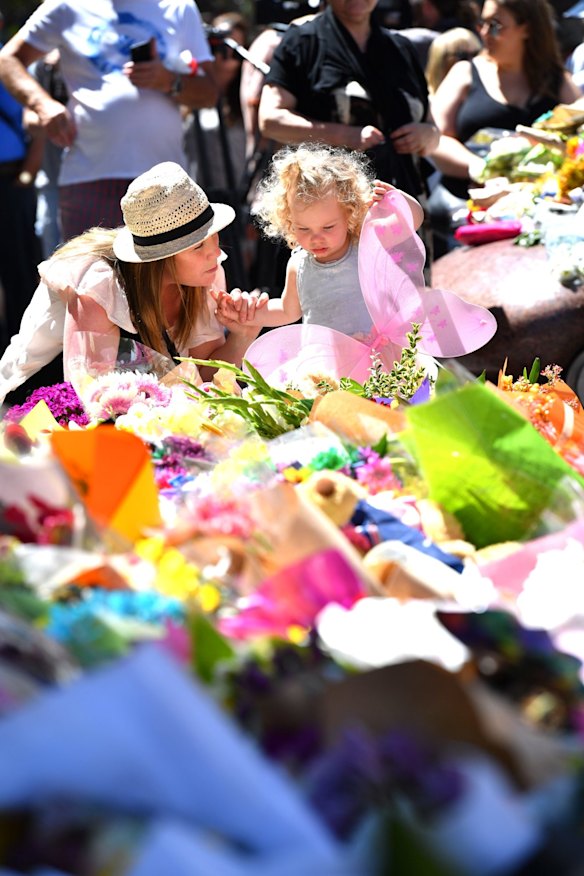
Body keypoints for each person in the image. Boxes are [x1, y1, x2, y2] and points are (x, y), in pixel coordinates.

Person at [0, 162, 262, 408]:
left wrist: (242, 336)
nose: (215, 253)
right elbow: (88, 398)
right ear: (160, 258)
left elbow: (203, 381)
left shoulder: (205, 274)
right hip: (40, 408)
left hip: (140, 416)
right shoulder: (100, 287)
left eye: (214, 236)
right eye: (198, 246)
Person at [0, 0, 219, 242]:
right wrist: (42, 104)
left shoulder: (179, 6)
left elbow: (209, 92)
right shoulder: (65, 6)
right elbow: (7, 59)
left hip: (165, 181)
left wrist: (169, 80)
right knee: (89, 277)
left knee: (166, 279)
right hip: (88, 176)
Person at [213, 143, 424, 337]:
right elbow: (287, 310)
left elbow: (412, 222)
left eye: (328, 227)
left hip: (374, 353)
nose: (316, 238)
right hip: (327, 365)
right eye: (303, 228)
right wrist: (249, 312)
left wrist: (398, 200)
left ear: (349, 214)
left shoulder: (363, 244)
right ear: (289, 221)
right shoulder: (298, 264)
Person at [428, 0, 580, 255]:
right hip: (466, 215)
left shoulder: (557, 81)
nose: (485, 33)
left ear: (527, 29)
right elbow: (436, 138)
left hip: (538, 216)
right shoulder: (465, 72)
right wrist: (481, 169)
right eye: (482, 24)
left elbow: (579, 142)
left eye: (496, 25)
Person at [258, 0, 440, 204]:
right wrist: (344, 135)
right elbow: (270, 120)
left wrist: (428, 136)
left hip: (404, 205)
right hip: (330, 209)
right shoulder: (303, 42)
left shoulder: (401, 48)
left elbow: (431, 125)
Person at [0, 11, 44, 354]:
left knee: (17, 268)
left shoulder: (10, 68)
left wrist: (28, 174)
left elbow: (37, 124)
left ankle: (21, 360)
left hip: (11, 180)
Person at [425, 26, 482, 93]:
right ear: (440, 62)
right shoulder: (428, 101)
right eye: (463, 57)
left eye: (476, 55)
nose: (472, 62)